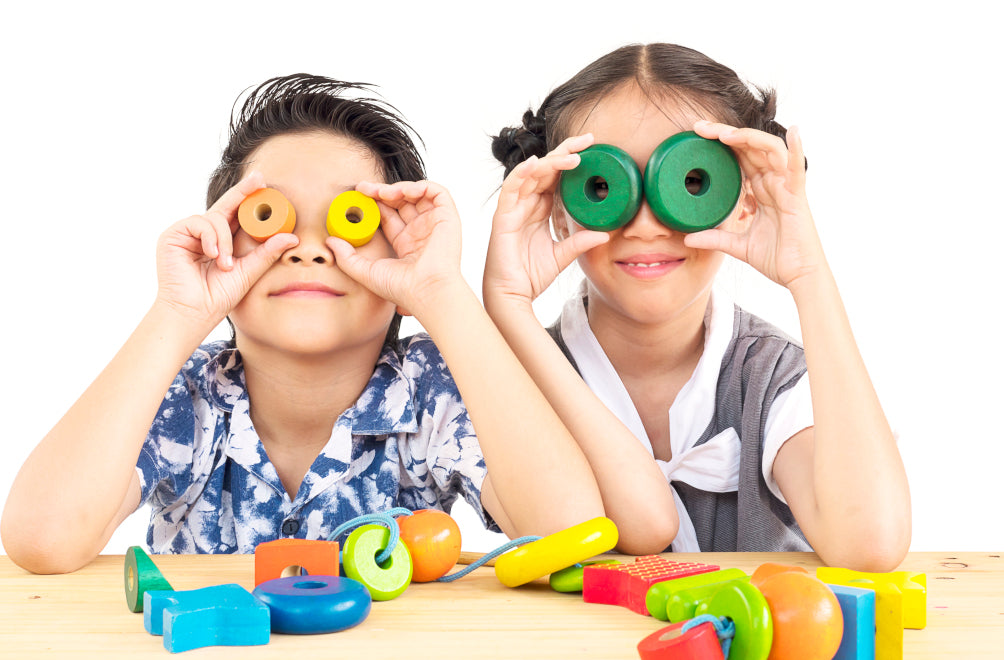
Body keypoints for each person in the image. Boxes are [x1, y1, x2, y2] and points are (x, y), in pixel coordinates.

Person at [2, 74, 603, 574]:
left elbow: (569, 536)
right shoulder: (184, 396)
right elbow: (42, 540)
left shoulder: (433, 391)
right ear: (222, 250)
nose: (309, 249)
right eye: (271, 220)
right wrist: (179, 312)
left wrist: (443, 293)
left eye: (349, 220)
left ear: (399, 263)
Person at [484, 44, 910, 571]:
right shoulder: (501, 386)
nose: (644, 225)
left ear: (744, 199)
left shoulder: (772, 379)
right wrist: (509, 309)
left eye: (688, 183)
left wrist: (808, 274)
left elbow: (870, 544)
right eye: (604, 186)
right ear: (558, 210)